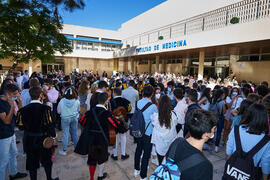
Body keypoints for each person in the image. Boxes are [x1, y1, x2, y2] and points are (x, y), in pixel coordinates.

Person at [76, 92, 125, 180]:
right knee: (101, 158)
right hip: (102, 139)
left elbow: (82, 121)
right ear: (106, 102)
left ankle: (91, 177)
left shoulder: (90, 112)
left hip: (91, 139)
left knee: (92, 159)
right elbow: (116, 124)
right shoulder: (107, 114)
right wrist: (119, 118)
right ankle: (100, 175)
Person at [17, 87, 59, 180]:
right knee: (47, 161)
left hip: (29, 139)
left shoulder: (23, 110)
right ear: (40, 95)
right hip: (44, 139)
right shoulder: (46, 109)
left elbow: (20, 126)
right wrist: (53, 137)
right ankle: (49, 178)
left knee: (32, 163)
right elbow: (50, 125)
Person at [165, 109, 217, 180]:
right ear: (206, 134)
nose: (213, 131)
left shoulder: (177, 142)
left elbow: (164, 165)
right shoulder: (205, 166)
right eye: (213, 129)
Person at [226, 104, 270, 180]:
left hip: (233, 170)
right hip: (252, 172)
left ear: (248, 115)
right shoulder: (266, 140)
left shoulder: (236, 129)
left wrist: (231, 165)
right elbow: (265, 163)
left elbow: (228, 151)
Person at [0, 84, 27, 180]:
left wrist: (19, 101)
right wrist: (12, 106)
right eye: (15, 94)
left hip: (11, 133)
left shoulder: (10, 100)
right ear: (7, 94)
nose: (16, 95)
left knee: (14, 153)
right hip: (3, 135)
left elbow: (20, 112)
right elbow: (6, 121)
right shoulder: (1, 104)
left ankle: (13, 173)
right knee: (3, 161)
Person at [151, 95, 184, 165]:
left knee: (161, 163)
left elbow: (154, 128)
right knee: (171, 163)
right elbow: (182, 121)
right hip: (171, 145)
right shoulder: (174, 115)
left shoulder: (155, 116)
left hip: (160, 146)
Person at [134, 85, 158, 180]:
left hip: (138, 131)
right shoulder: (153, 106)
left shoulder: (138, 102)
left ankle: (136, 169)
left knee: (138, 150)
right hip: (148, 133)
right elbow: (155, 121)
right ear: (152, 94)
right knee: (146, 154)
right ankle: (143, 176)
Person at [110, 88, 131, 160]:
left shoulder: (110, 102)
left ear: (114, 93)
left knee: (114, 138)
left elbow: (108, 112)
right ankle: (123, 154)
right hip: (123, 121)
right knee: (123, 136)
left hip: (113, 122)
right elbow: (129, 110)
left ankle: (115, 155)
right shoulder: (127, 101)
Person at [57, 87, 80, 156]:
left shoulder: (62, 101)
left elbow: (58, 111)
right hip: (74, 118)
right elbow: (78, 110)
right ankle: (76, 147)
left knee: (65, 134)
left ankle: (64, 150)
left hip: (65, 119)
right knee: (75, 133)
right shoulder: (77, 101)